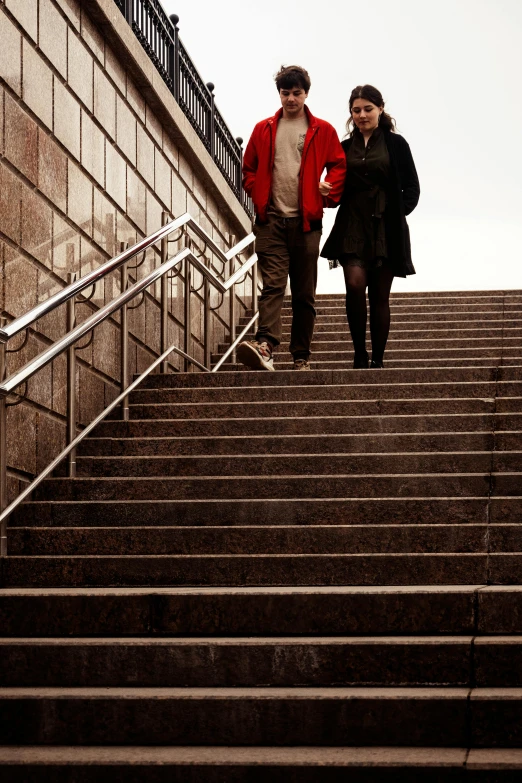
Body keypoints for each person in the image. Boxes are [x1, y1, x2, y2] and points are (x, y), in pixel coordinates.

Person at [237, 65, 346, 371]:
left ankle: (301, 356)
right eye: (286, 93)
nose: (291, 99)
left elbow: (338, 165)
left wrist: (328, 190)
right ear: (280, 94)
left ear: (306, 93)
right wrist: (257, 191)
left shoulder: (323, 130)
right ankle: (266, 345)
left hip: (307, 222)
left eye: (297, 93)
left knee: (303, 292)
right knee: (272, 285)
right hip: (270, 220)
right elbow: (249, 169)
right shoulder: (264, 129)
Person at [321, 84, 420, 368]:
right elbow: (336, 187)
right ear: (351, 113)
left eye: (367, 109)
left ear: (380, 109)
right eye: (356, 110)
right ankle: (359, 353)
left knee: (379, 294)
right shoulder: (343, 147)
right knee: (354, 285)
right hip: (352, 223)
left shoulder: (396, 144)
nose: (362, 115)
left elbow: (412, 187)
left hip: (385, 227)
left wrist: (397, 215)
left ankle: (377, 358)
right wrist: (326, 191)